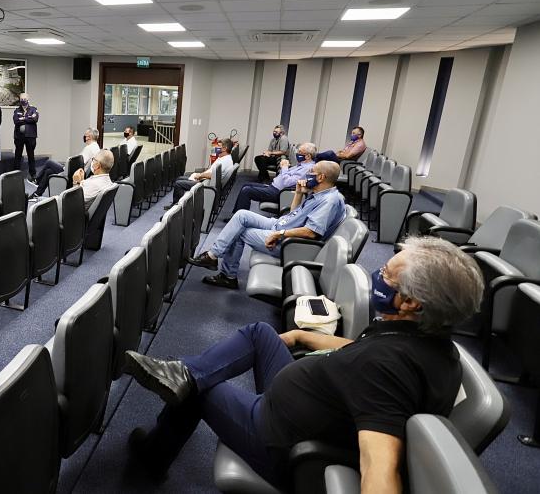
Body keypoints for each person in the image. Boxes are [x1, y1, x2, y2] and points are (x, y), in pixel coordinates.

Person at [123, 236, 483, 492]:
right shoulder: (427, 342)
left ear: (412, 303)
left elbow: (380, 464)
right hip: (307, 405)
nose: (378, 276)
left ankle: (155, 454)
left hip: (277, 437)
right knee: (259, 333)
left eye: (388, 275)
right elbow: (361, 349)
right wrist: (301, 336)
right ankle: (182, 372)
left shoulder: (389, 370)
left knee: (201, 390)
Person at [190, 160, 345, 289]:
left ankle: (227, 276)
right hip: (280, 225)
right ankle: (213, 256)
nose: (307, 174)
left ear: (321, 177)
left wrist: (279, 234)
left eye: (311, 171)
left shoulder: (329, 201)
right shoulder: (318, 193)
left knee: (239, 232)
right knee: (241, 215)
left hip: (288, 243)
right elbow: (293, 213)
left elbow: (312, 232)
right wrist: (298, 193)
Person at [223, 143, 316, 221]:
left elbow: (288, 182)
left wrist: (284, 167)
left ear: (308, 156)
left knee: (246, 191)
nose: (297, 154)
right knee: (246, 185)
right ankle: (236, 216)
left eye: (300, 152)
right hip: (273, 187)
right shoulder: (301, 165)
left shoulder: (307, 168)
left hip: (278, 193)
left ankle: (238, 219)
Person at [165, 138, 236, 210]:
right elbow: (211, 171)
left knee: (178, 184)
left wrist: (200, 176)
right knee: (180, 178)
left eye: (219, 146)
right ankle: (176, 203)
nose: (216, 148)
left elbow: (213, 175)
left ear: (224, 148)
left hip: (207, 184)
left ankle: (178, 209)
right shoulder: (224, 158)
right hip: (206, 180)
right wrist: (201, 174)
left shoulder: (225, 161)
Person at [31, 128, 102, 198]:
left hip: (73, 173)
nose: (84, 137)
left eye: (85, 135)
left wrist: (65, 167)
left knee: (49, 162)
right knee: (48, 171)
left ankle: (37, 180)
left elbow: (79, 164)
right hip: (77, 172)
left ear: (89, 137)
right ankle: (37, 193)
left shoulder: (89, 148)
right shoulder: (96, 146)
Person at [13, 92, 39, 184]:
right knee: (18, 156)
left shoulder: (33, 109)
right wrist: (28, 117)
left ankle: (33, 175)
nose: (23, 101)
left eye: (25, 99)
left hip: (30, 136)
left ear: (28, 99)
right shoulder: (17, 110)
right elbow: (16, 120)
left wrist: (23, 118)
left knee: (31, 156)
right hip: (19, 137)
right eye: (21, 99)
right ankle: (15, 175)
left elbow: (35, 119)